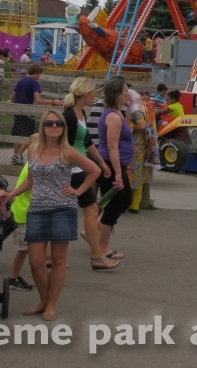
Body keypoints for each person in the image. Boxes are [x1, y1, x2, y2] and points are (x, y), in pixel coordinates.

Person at [0, 110, 100, 320]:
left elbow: (94, 170)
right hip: (36, 209)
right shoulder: (33, 149)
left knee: (58, 259)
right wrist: (11, 194)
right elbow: (30, 179)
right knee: (36, 261)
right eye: (49, 123)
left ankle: (51, 303)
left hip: (62, 208)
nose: (54, 126)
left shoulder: (68, 151)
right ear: (42, 126)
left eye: (59, 124)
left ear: (63, 128)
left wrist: (78, 191)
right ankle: (44, 299)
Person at [60, 78, 118, 270]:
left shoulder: (80, 113)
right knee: (91, 211)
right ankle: (97, 256)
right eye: (93, 93)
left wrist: (100, 160)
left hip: (80, 168)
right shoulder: (68, 116)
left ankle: (53, 257)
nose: (95, 96)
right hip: (72, 169)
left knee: (77, 211)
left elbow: (86, 140)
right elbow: (63, 145)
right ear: (85, 95)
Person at [95, 77, 135, 261]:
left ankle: (95, 230)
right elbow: (112, 147)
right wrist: (118, 173)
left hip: (117, 164)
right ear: (118, 94)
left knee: (125, 200)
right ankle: (102, 248)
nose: (128, 93)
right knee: (114, 205)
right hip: (109, 165)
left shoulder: (118, 113)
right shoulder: (112, 116)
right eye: (126, 90)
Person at [10, 63, 62, 165]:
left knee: (18, 134)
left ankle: (15, 155)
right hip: (28, 112)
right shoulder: (34, 83)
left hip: (17, 111)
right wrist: (53, 101)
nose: (39, 77)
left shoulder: (20, 81)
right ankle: (19, 155)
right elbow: (38, 99)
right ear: (37, 73)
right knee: (29, 135)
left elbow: (12, 97)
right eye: (39, 74)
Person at [7, 143, 35, 292]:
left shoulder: (34, 164)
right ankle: (14, 277)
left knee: (32, 248)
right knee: (24, 249)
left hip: (29, 212)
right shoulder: (33, 167)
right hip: (23, 213)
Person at [127, 87, 158, 214]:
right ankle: (135, 205)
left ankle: (128, 203)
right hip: (145, 145)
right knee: (138, 175)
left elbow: (130, 126)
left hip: (131, 145)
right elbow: (153, 126)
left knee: (127, 174)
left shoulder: (132, 109)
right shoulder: (148, 108)